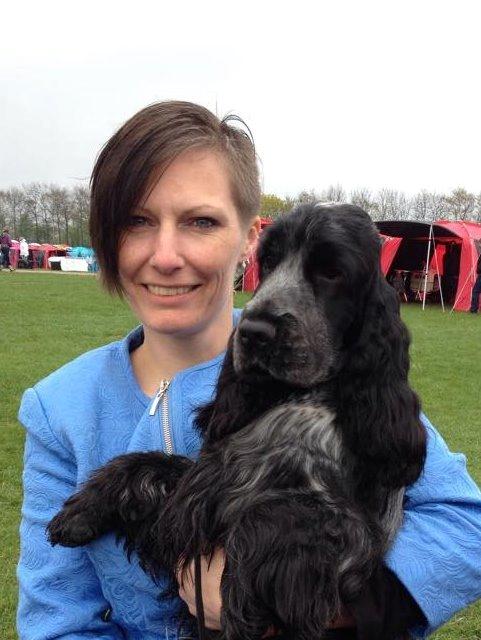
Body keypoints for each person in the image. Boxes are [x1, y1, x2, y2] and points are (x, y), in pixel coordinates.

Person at [17, 101, 481, 640]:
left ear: (245, 239)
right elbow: (59, 621)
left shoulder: (331, 375)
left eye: (201, 221)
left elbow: (467, 527)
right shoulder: (60, 410)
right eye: (138, 221)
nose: (166, 255)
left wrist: (334, 611)